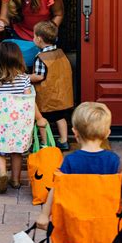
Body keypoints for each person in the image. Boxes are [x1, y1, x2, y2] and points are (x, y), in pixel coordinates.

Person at [36, 102, 120, 243]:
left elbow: (56, 188)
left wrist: (45, 215)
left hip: (78, 221)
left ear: (74, 132)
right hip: (106, 222)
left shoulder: (71, 161)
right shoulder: (113, 160)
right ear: (107, 132)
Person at [0, 42, 47, 194]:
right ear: (19, 59)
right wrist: (39, 118)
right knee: (16, 151)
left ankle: (3, 174)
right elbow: (29, 101)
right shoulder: (25, 80)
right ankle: (16, 180)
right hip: (18, 124)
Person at [0, 0, 64, 67]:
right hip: (20, 36)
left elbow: (59, 14)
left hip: (44, 37)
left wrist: (47, 33)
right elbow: (4, 18)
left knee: (45, 69)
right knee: (18, 68)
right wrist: (0, 23)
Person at [30, 21, 74, 151]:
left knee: (43, 120)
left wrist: (26, 77)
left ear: (38, 39)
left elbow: (39, 76)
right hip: (60, 95)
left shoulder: (41, 57)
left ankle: (45, 143)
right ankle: (64, 140)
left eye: (33, 36)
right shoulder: (60, 53)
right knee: (61, 117)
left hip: (47, 97)